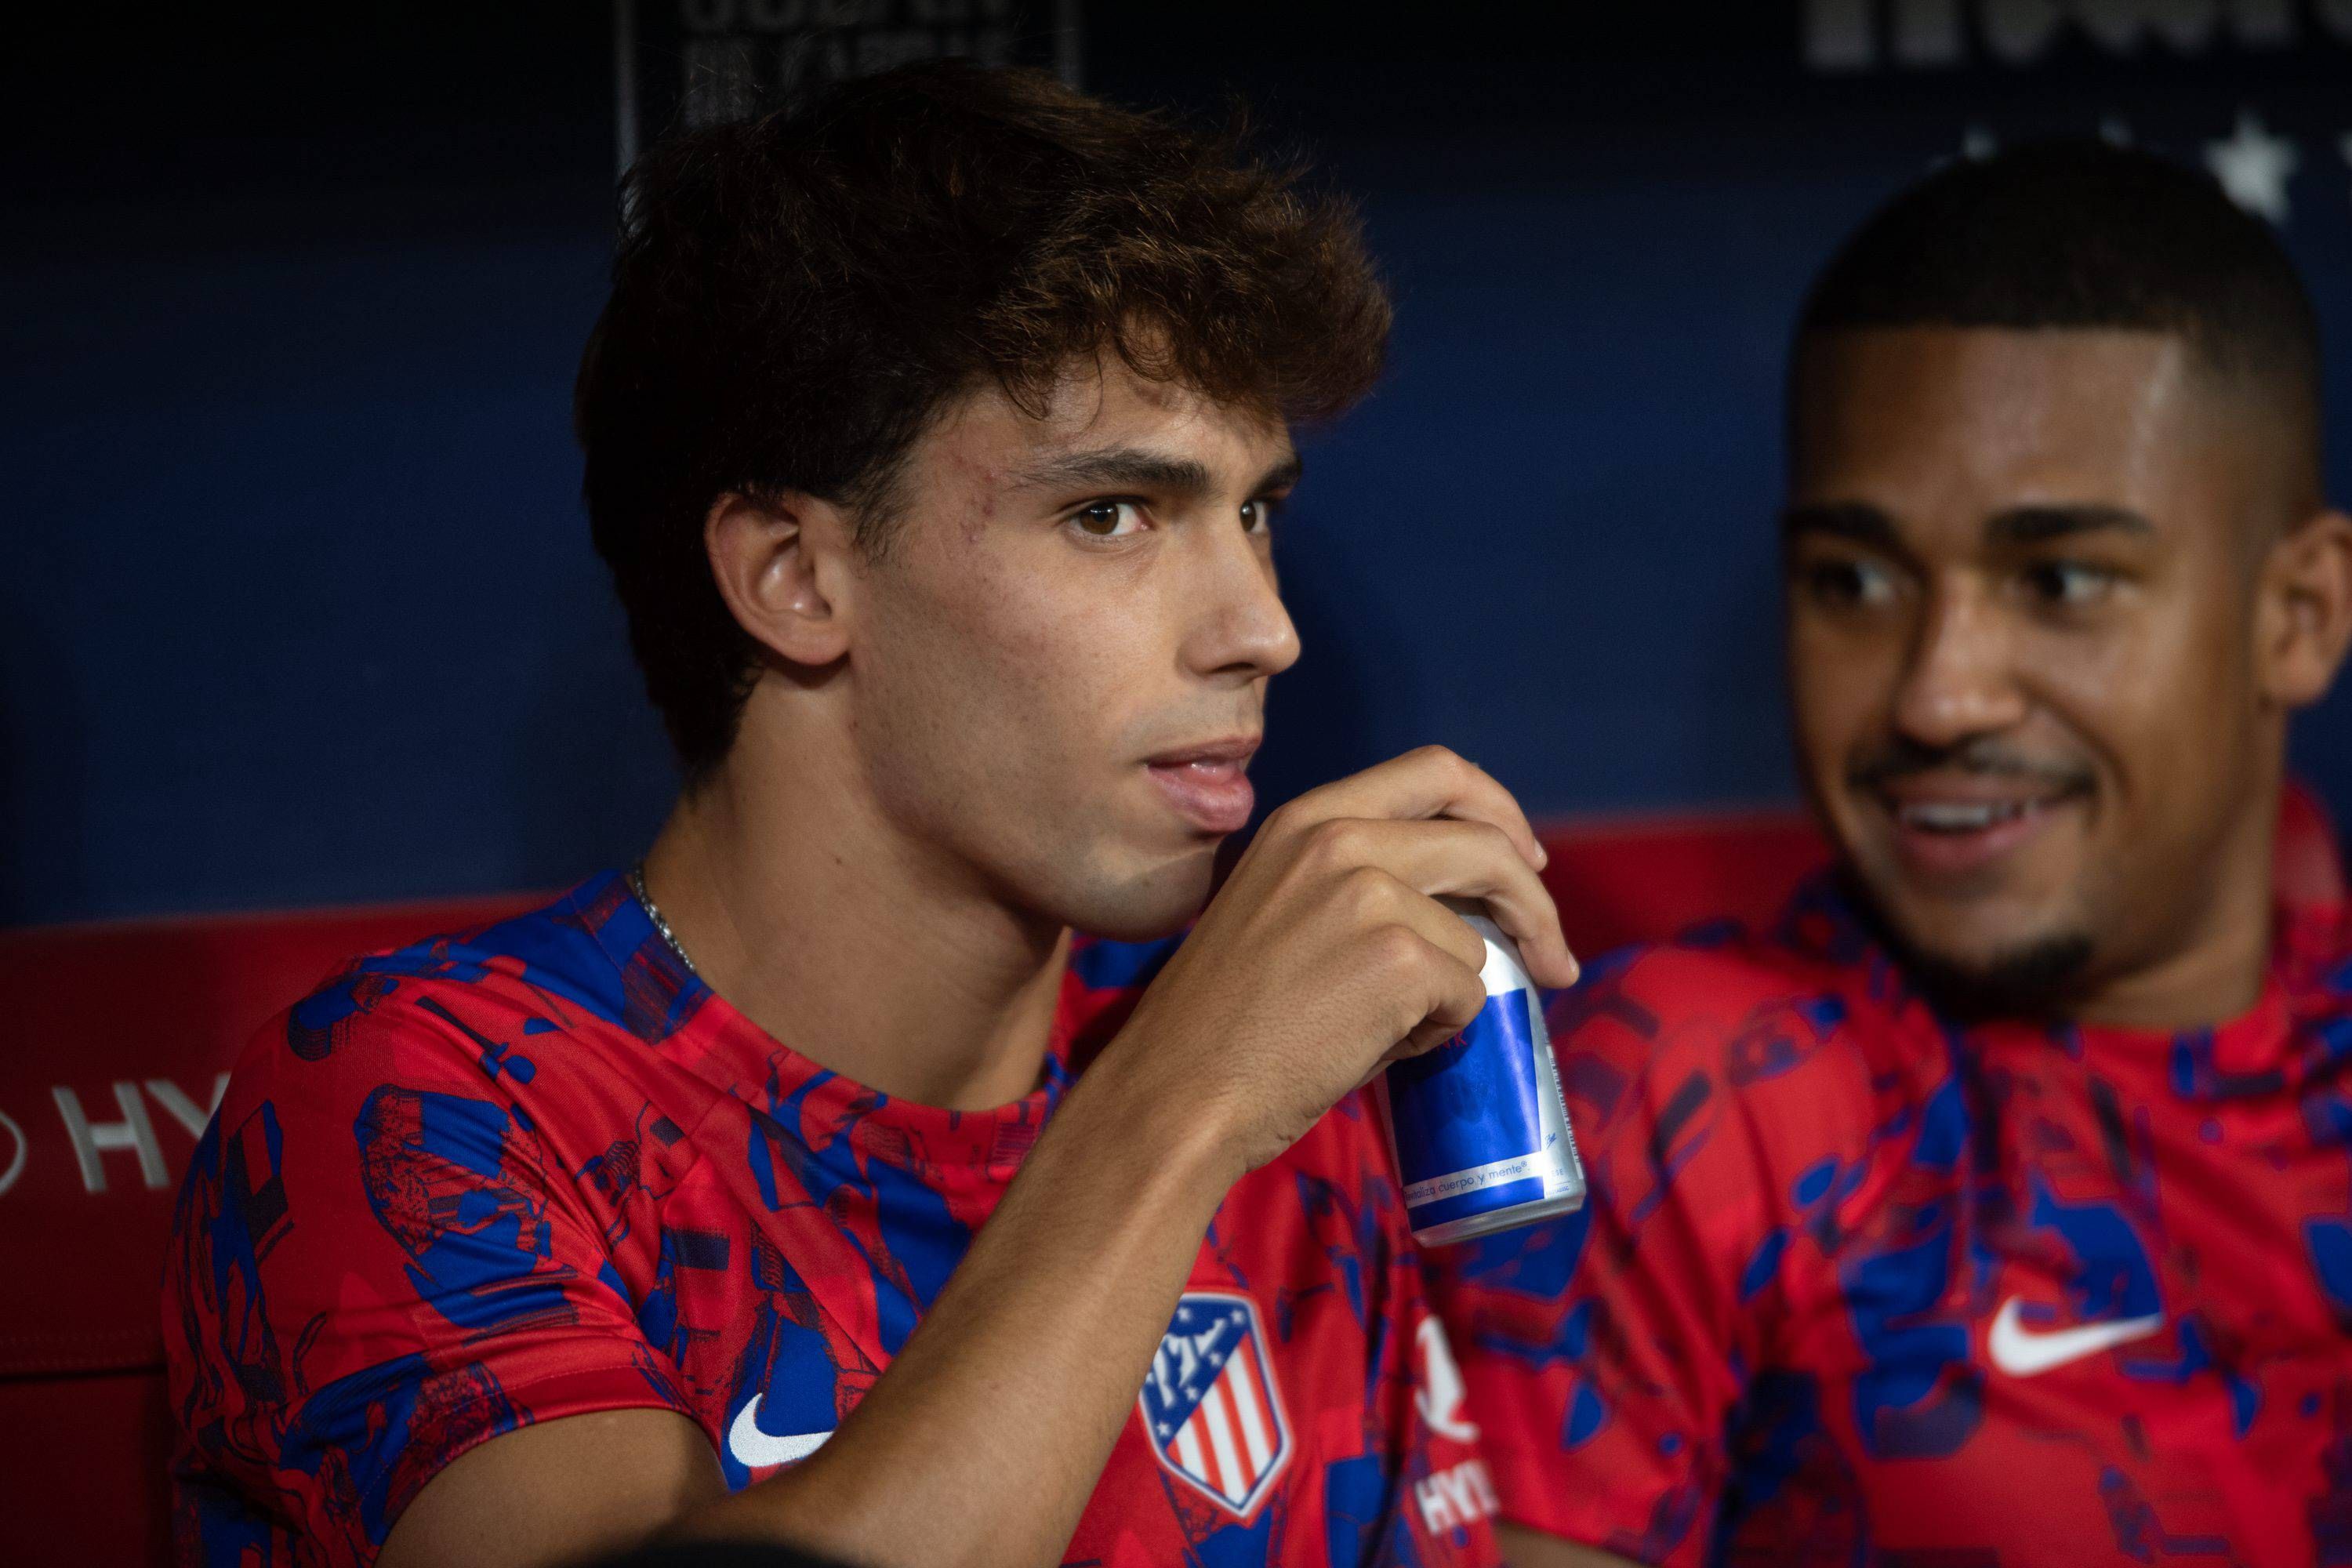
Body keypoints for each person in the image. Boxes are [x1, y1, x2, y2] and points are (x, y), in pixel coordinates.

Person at [163, 61, 1577, 1568]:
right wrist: (1177, 1112)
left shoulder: (1261, 1068)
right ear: (794, 576)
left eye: (1256, 512)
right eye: (1112, 514)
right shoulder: (430, 1105)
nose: (1262, 628)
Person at [1436, 142, 2352, 1565]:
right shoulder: (1688, 1097)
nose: (1938, 693)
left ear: (2298, 616)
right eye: (1853, 582)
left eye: (2059, 582)